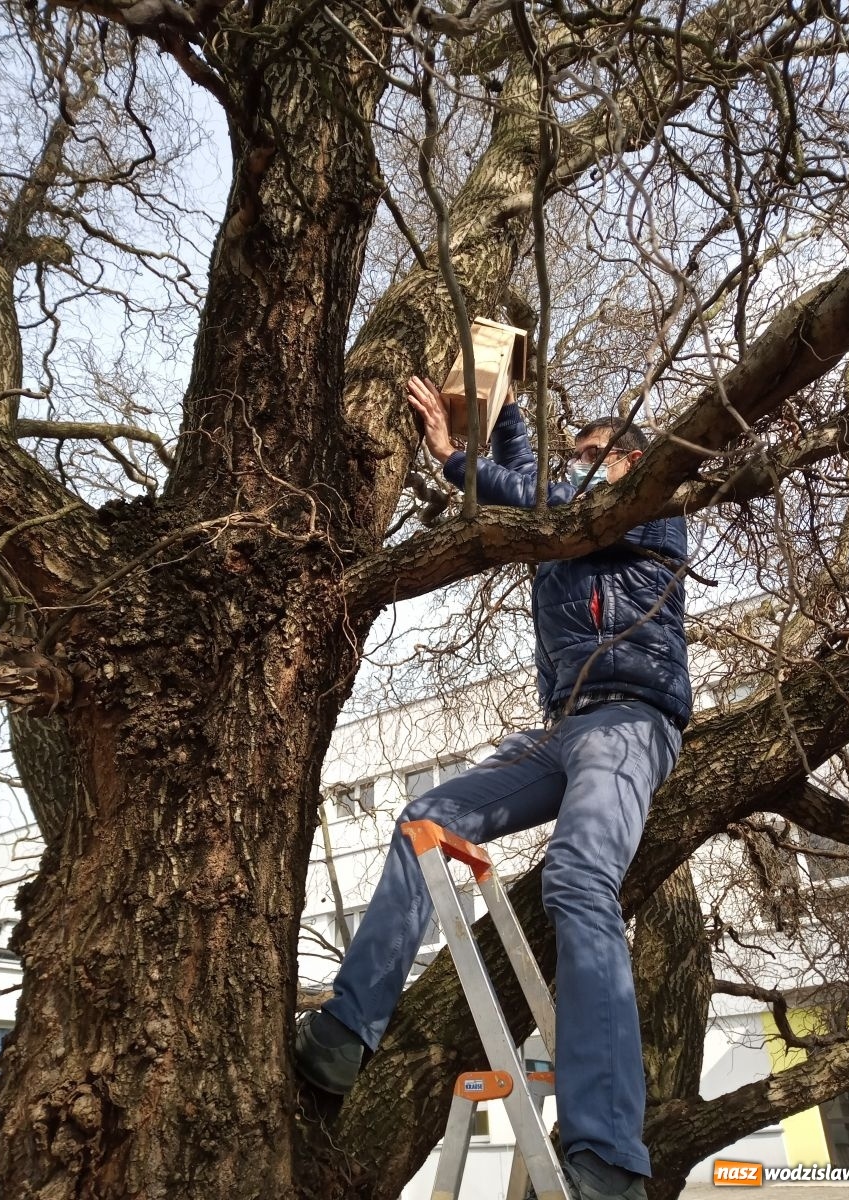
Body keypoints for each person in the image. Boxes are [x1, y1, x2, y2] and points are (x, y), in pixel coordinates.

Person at [296, 378, 691, 1200]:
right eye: (571, 458)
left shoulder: (654, 503)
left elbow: (552, 505)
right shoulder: (565, 520)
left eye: (590, 459)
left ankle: (608, 1152)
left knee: (580, 882)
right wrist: (500, 407)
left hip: (630, 721)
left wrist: (451, 461)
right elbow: (532, 499)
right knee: (426, 816)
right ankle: (345, 1031)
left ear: (632, 463)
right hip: (563, 728)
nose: (575, 471)